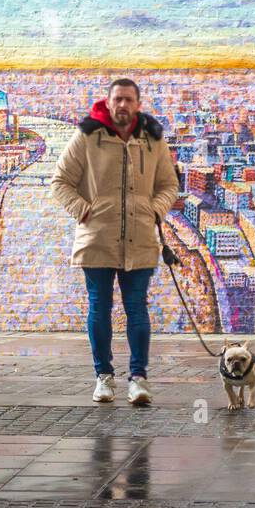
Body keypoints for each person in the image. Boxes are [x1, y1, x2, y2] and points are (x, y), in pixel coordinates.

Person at [49, 77, 182, 405]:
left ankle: (138, 378)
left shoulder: (153, 141)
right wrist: (83, 211)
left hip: (140, 238)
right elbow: (60, 181)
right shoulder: (87, 137)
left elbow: (169, 184)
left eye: (128, 99)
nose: (122, 105)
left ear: (138, 104)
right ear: (108, 103)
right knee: (100, 308)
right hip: (98, 238)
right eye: (117, 99)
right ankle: (103, 377)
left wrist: (155, 210)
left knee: (137, 309)